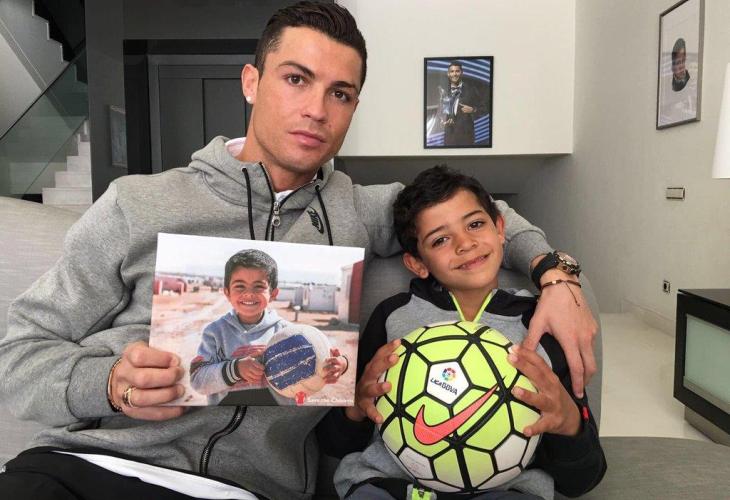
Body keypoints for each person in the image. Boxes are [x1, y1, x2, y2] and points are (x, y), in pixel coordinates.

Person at [0, 2, 597, 499]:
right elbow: (18, 356)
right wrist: (108, 383)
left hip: (250, 487)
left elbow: (475, 211)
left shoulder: (357, 210)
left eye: (340, 93)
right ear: (251, 82)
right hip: (88, 466)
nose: (316, 110)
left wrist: (556, 273)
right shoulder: (137, 204)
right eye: (296, 79)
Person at [335, 166, 606, 499]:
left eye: (475, 224)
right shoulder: (391, 318)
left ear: (501, 229)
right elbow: (336, 442)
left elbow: (583, 478)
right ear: (418, 263)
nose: (465, 243)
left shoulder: (542, 323)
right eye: (440, 239)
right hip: (390, 488)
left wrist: (569, 423)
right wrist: (355, 407)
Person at [189, 249, 347, 405]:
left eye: (258, 286)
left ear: (273, 294)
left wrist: (341, 364)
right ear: (227, 292)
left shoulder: (290, 334)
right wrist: (236, 369)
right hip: (229, 418)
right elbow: (198, 381)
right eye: (240, 286)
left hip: (278, 418)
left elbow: (325, 356)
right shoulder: (214, 333)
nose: (249, 293)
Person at [439, 61, 487, 146]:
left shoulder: (471, 90)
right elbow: (441, 113)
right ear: (448, 74)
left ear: (462, 73)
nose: (454, 74)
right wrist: (442, 120)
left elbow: (484, 109)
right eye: (452, 71)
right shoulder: (444, 91)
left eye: (457, 71)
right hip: (449, 138)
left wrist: (473, 110)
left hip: (466, 137)